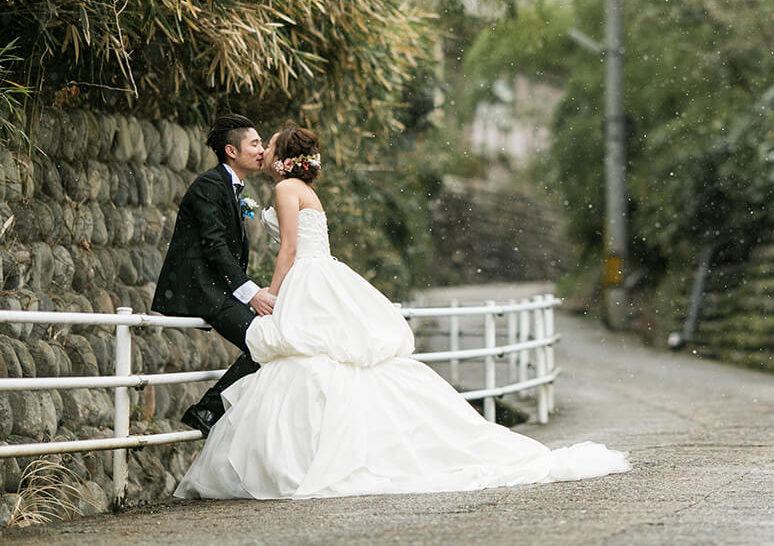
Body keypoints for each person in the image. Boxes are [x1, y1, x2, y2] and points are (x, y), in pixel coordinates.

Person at [175, 123, 630, 499]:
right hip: (320, 276)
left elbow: (290, 247)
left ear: (281, 157)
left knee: (308, 359)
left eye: (268, 145)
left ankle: (298, 451)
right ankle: (322, 447)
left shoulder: (285, 189)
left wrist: (270, 294)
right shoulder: (296, 188)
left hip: (305, 277)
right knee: (320, 362)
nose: (263, 150)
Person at [152, 114, 274, 436]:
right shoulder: (209, 185)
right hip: (204, 289)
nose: (261, 149)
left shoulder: (232, 186)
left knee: (270, 343)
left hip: (220, 289)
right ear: (232, 151)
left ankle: (211, 412)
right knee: (265, 344)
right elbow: (214, 246)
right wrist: (252, 292)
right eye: (255, 143)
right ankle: (207, 410)